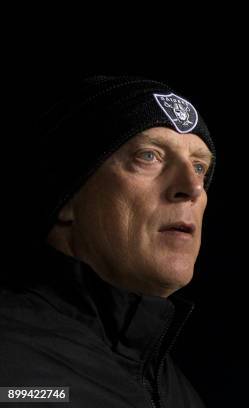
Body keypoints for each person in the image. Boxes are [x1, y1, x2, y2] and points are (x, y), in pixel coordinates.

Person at [0, 76, 215, 407]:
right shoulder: (11, 363)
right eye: (149, 156)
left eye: (200, 166)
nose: (192, 186)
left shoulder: (182, 395)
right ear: (68, 196)